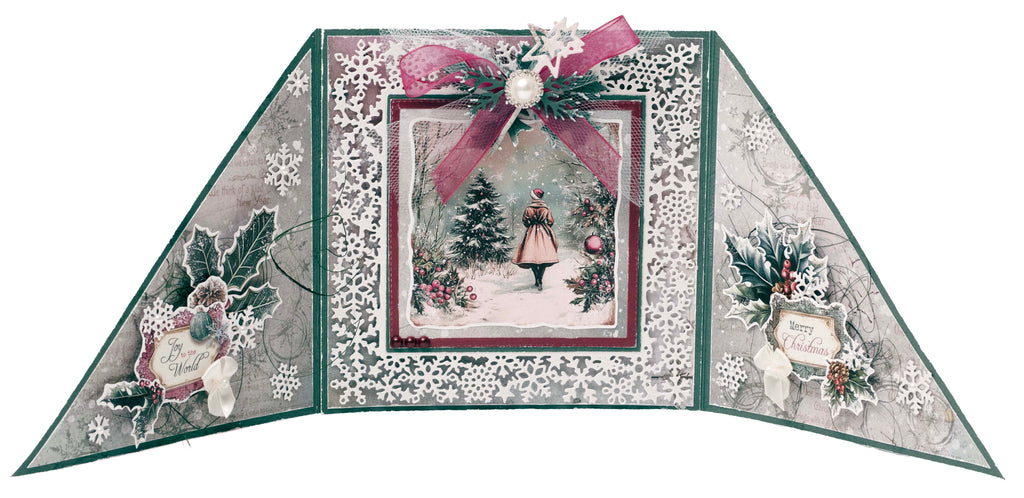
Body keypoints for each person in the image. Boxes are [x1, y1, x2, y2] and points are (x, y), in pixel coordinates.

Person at [512, 188, 559, 290]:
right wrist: (545, 226)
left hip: (531, 233)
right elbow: (551, 221)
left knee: (532, 258)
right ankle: (540, 279)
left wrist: (530, 226)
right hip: (544, 232)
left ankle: (537, 279)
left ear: (533, 197)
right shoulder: (545, 208)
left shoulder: (528, 208)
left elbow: (524, 220)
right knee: (543, 259)